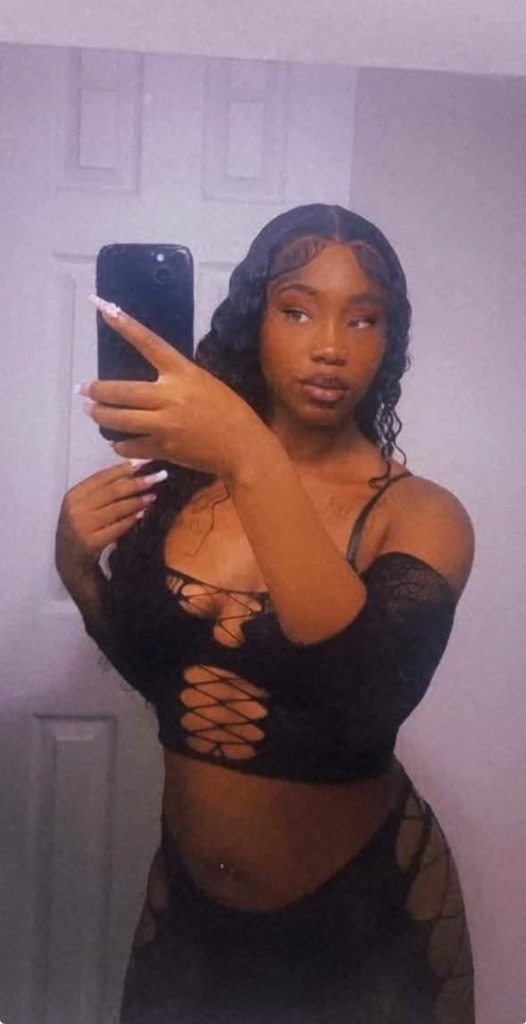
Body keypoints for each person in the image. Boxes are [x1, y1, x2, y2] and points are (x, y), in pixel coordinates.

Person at [55, 204, 475, 1023]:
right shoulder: (181, 487)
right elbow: (169, 681)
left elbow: (363, 702)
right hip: (186, 911)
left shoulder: (420, 515)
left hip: (362, 923)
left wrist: (248, 451)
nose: (331, 345)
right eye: (298, 310)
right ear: (257, 321)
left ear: (389, 342)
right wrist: (76, 568)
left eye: (364, 319)